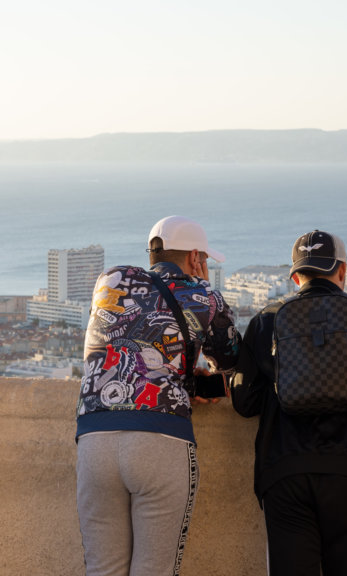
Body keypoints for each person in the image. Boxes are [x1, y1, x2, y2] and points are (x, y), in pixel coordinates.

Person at [230, 230, 347, 576]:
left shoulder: (264, 322)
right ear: (343, 271)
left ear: (295, 276)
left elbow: (244, 401)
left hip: (285, 473)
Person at [75, 215, 240, 576]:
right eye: (206, 261)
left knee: (102, 570)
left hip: (94, 435)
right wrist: (193, 379)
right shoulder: (206, 296)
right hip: (160, 438)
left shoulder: (110, 281)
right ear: (196, 257)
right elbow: (231, 364)